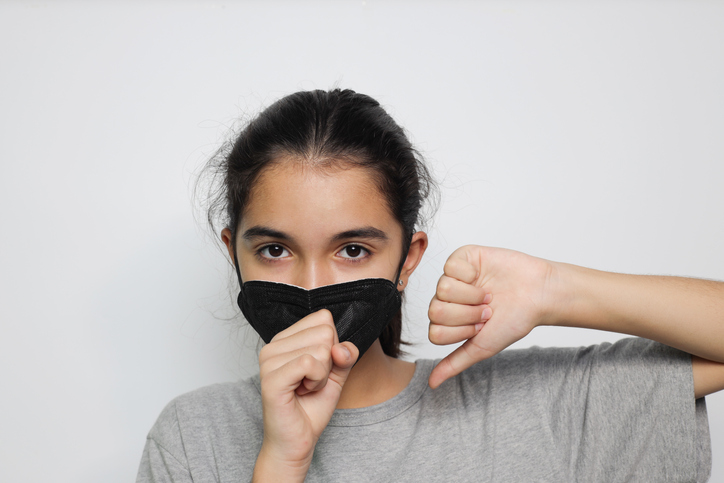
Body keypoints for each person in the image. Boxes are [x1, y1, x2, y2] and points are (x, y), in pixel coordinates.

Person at [137, 89, 722, 482]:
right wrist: (282, 462)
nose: (312, 287)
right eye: (274, 250)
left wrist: (554, 289)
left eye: (353, 250)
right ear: (232, 252)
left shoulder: (543, 406)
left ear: (408, 257)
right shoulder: (194, 438)